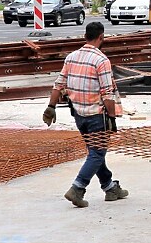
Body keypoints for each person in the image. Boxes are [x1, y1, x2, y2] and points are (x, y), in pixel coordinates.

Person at [43, 21, 127, 208]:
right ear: (101, 37)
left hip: (79, 115)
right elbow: (107, 93)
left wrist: (51, 106)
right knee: (97, 153)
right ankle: (77, 188)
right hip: (97, 115)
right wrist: (112, 118)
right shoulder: (101, 60)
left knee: (95, 153)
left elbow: (58, 84)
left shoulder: (71, 57)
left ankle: (109, 187)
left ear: (85, 36)